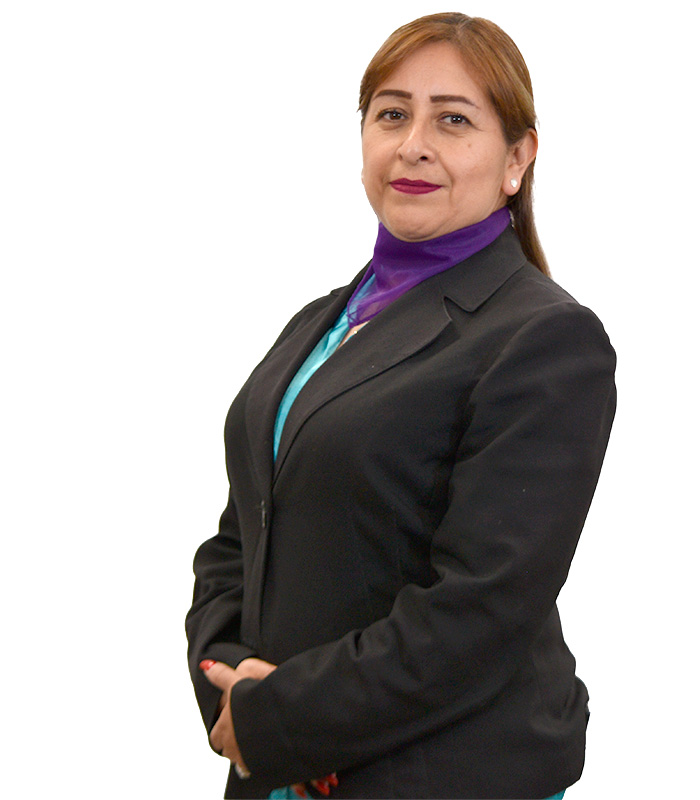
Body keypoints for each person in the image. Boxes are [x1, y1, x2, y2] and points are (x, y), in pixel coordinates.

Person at [186, 12, 616, 800]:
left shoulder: (546, 339)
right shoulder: (320, 322)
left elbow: (480, 610)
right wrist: (230, 689)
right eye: (391, 114)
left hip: (445, 775)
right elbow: (240, 536)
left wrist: (287, 718)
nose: (414, 143)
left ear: (517, 158)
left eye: (453, 120)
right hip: (282, 766)